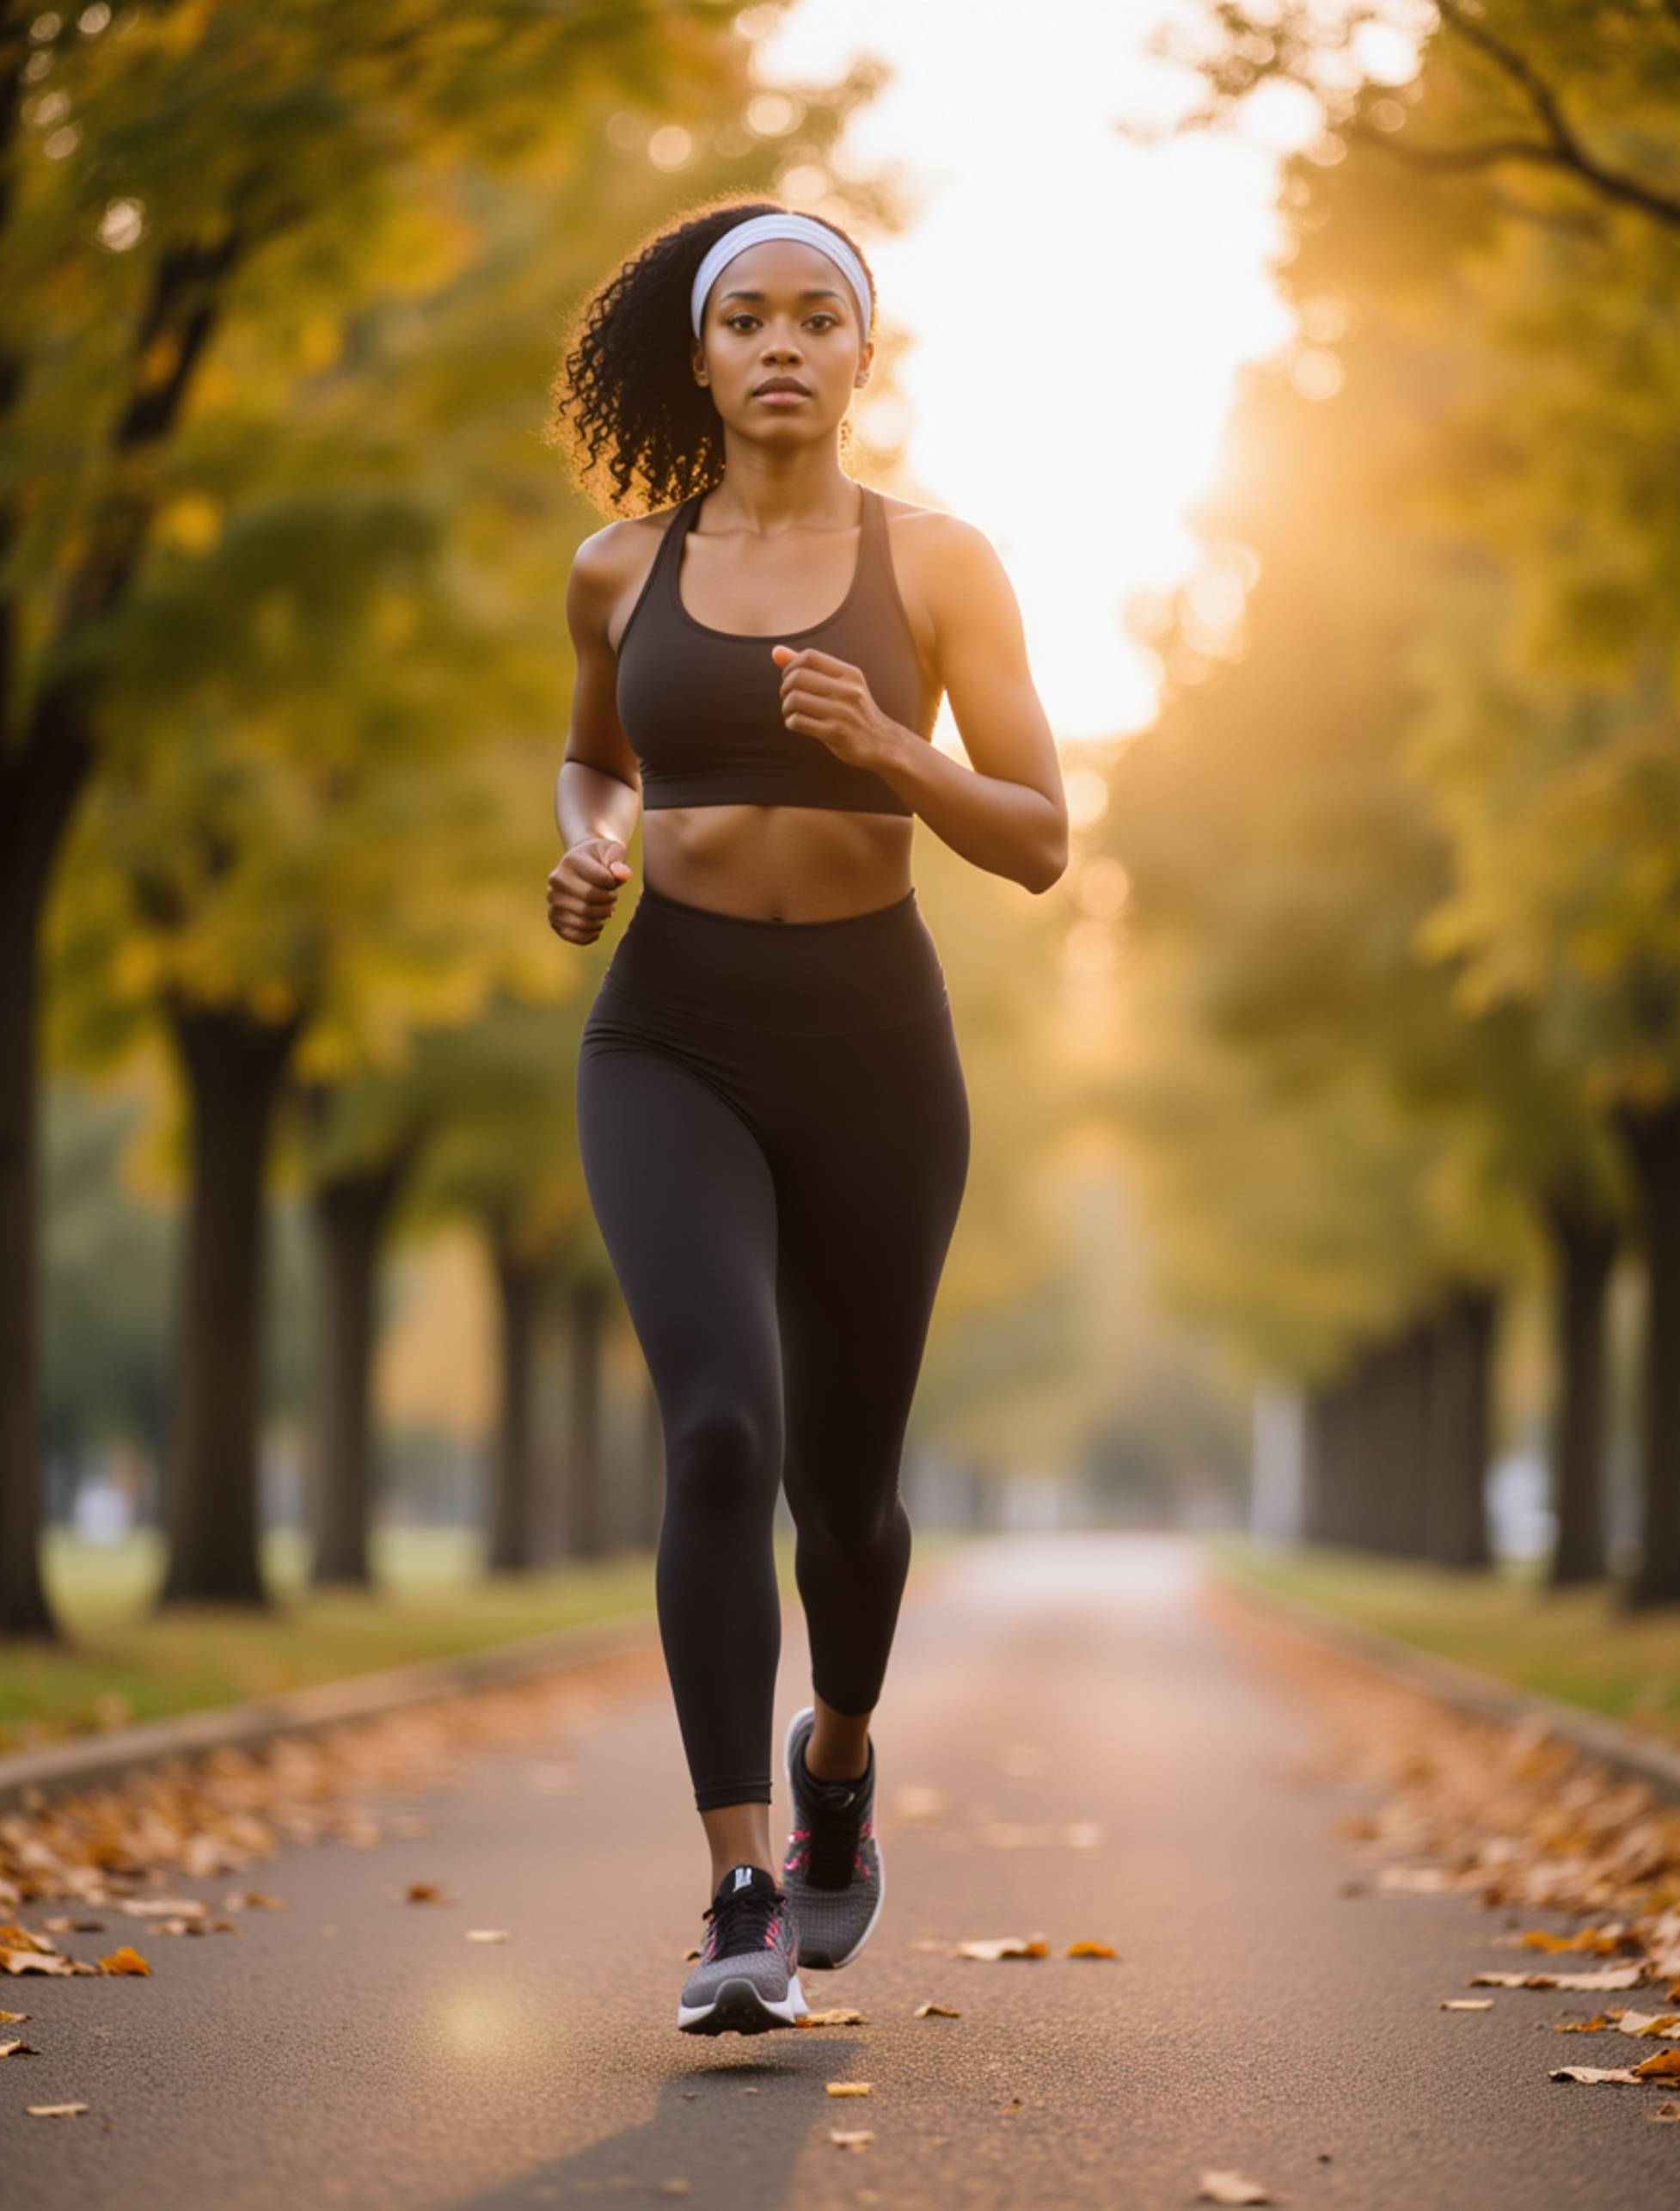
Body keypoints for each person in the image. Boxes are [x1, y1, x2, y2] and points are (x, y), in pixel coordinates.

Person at [543, 200, 1065, 2036]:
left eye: (816, 317)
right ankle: (737, 1893)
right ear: (696, 358)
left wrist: (895, 753)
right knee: (714, 1433)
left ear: (862, 354)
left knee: (843, 1501)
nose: (781, 343)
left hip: (873, 1043)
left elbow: (1039, 835)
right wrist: (591, 842)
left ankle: (834, 1753)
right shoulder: (619, 563)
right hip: (669, 1029)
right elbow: (598, 750)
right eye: (745, 318)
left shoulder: (937, 564)